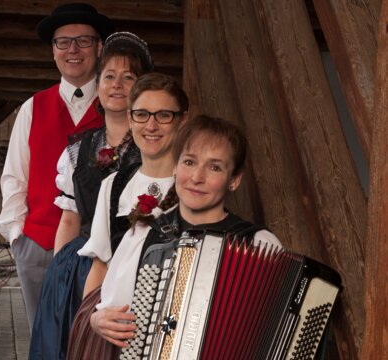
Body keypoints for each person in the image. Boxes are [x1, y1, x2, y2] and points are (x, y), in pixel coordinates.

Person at [89, 115, 283, 354]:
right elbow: (111, 315)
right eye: (189, 162)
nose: (197, 178)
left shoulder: (259, 245)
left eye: (214, 167)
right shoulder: (143, 236)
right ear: (175, 166)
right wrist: (98, 322)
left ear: (234, 180)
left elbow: (279, 332)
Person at [29, 31, 154, 360]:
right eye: (109, 76)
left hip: (137, 265)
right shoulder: (76, 150)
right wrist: (59, 273)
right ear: (97, 85)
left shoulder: (154, 149)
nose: (117, 84)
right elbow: (69, 219)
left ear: (142, 88)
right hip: (79, 268)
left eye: (129, 77)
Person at [0, 3, 114, 330]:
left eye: (83, 40)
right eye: (63, 41)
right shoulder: (33, 108)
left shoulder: (117, 107)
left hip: (103, 252)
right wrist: (19, 239)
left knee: (96, 344)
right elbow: (14, 178)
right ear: (53, 50)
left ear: (99, 47)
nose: (73, 49)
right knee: (44, 341)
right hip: (39, 247)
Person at [67, 73, 190, 359]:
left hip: (176, 334)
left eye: (163, 115)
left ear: (183, 119)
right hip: (118, 336)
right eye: (142, 114)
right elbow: (100, 265)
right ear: (131, 119)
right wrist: (93, 318)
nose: (151, 125)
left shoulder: (194, 186)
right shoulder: (113, 186)